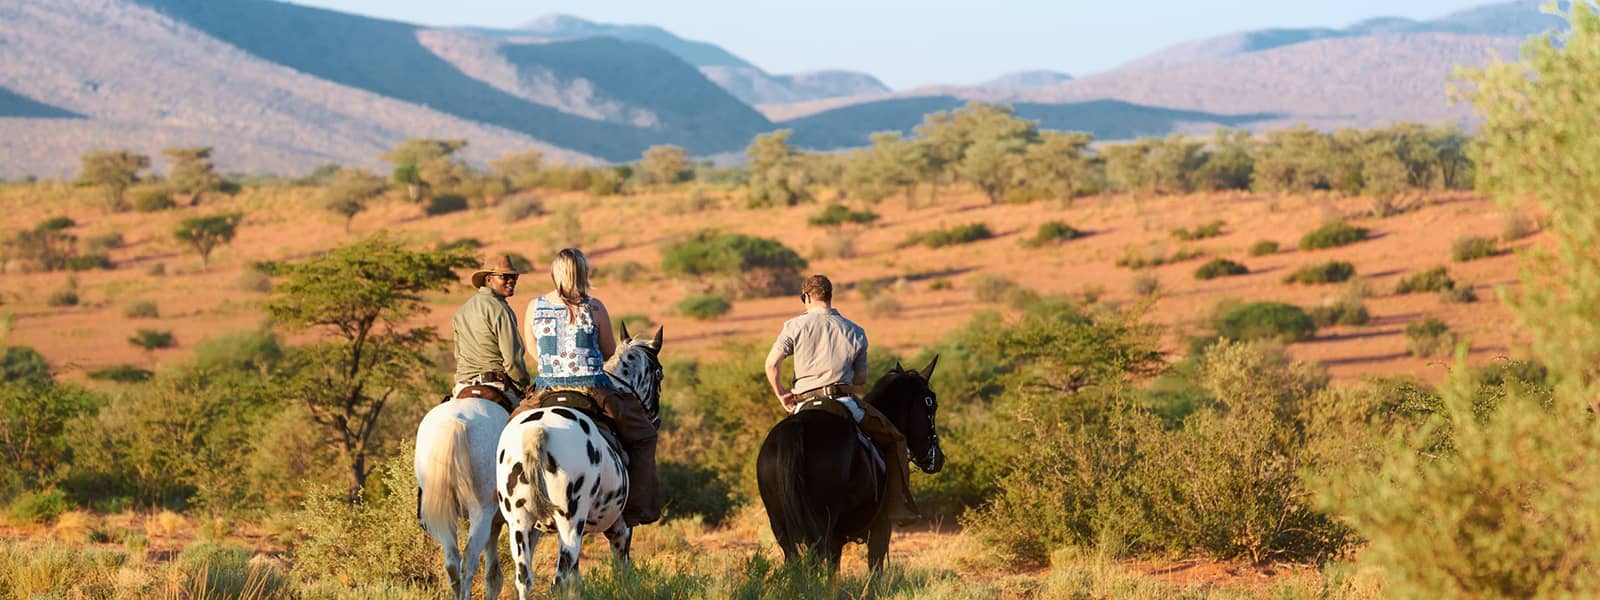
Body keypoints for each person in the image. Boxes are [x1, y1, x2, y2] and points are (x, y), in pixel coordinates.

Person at [518, 248, 661, 527]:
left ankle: (499, 499)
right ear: (584, 273)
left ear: (555, 273)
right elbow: (609, 352)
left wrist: (555, 367)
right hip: (591, 387)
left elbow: (532, 350)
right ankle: (634, 510)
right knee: (644, 433)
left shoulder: (534, 306)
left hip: (545, 389)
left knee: (508, 428)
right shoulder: (595, 307)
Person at [764, 274, 919, 525]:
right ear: (829, 296)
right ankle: (898, 507)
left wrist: (782, 393)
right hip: (843, 401)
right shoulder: (855, 331)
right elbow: (861, 381)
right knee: (895, 439)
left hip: (803, 402)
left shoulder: (793, 326)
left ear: (805, 297)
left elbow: (771, 364)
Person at [451, 254, 531, 405]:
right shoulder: (500, 309)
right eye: (504, 276)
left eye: (514, 277)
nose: (511, 281)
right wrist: (524, 384)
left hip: (462, 385)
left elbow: (458, 354)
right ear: (489, 279)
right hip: (495, 384)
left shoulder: (461, 311)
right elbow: (512, 359)